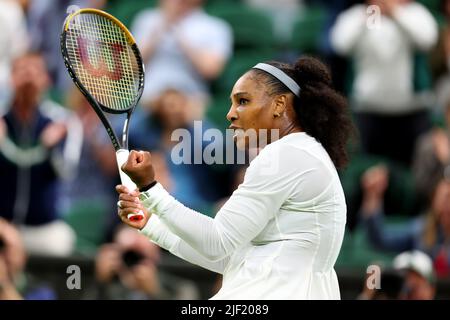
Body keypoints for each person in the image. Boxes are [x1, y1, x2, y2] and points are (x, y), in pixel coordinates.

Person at [115, 56, 353, 299]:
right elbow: (229, 257)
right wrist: (150, 224)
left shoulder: (286, 155)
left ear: (280, 104)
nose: (230, 114)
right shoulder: (300, 152)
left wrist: (150, 188)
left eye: (243, 101)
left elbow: (216, 242)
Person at [331, 0, 438, 166]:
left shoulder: (414, 12)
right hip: (368, 110)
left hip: (412, 110)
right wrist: (369, 15)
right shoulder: (358, 16)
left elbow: (427, 39)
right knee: (370, 169)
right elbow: (341, 44)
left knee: (411, 171)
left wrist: (395, 13)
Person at [0, 52, 80, 257]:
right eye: (22, 70)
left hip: (44, 227)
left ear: (46, 80)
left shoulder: (63, 121)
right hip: (3, 224)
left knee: (61, 241)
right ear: (11, 79)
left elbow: (66, 172)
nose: (28, 75)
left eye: (35, 70)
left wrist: (52, 147)